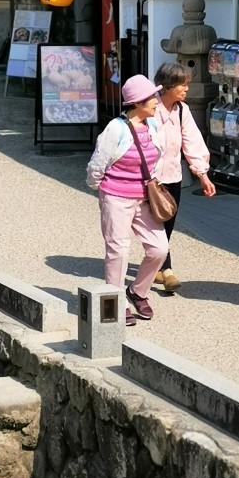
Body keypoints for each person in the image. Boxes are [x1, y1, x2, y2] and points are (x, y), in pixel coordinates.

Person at [86, 75, 169, 325]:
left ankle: (137, 291)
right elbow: (98, 162)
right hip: (116, 197)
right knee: (118, 251)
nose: (156, 101)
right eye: (152, 97)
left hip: (144, 198)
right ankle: (115, 301)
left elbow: (158, 157)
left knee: (159, 249)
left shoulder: (154, 126)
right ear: (137, 102)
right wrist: (98, 186)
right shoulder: (116, 128)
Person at [152, 62, 217, 292]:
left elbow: (192, 142)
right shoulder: (150, 108)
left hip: (172, 176)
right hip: (150, 179)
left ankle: (157, 265)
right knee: (155, 225)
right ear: (167, 86)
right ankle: (166, 270)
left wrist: (203, 175)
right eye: (182, 84)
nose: (186, 89)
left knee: (168, 222)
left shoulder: (181, 110)